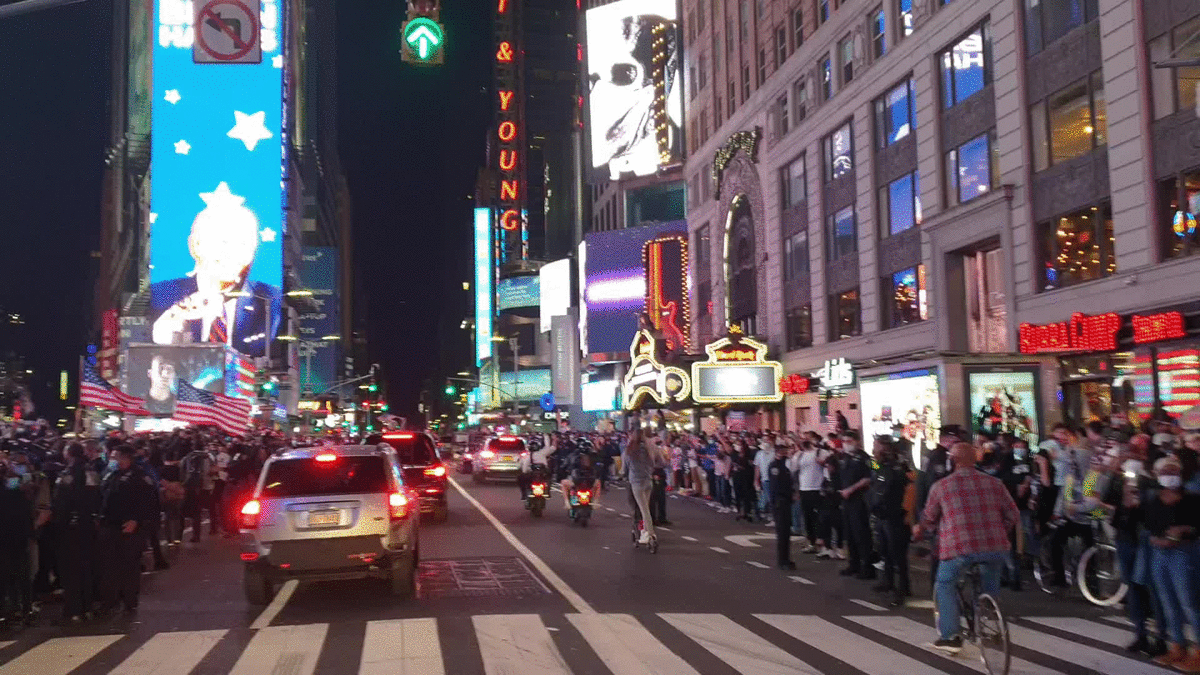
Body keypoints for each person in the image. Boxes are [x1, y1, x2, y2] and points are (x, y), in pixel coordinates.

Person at [149, 184, 282, 357]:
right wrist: (176, 318)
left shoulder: (269, 299)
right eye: (223, 242)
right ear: (195, 244)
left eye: (243, 244)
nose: (232, 254)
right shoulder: (164, 294)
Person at [915, 442, 1018, 653]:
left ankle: (951, 636)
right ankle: (988, 613)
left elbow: (929, 517)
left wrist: (924, 528)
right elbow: (1013, 515)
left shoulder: (942, 486)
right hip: (995, 546)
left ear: (952, 461)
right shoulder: (995, 483)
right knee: (990, 583)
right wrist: (999, 531)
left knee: (945, 583)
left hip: (959, 548)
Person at [1145, 455, 1200, 669]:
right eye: (1165, 473)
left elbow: (1195, 526)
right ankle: (1176, 646)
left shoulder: (1192, 498)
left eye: (1174, 472)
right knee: (1168, 602)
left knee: (1189, 602)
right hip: (1159, 553)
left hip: (1183, 553)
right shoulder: (1153, 500)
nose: (1170, 477)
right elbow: (1147, 525)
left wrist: (1183, 531)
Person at [98, 445, 158, 615]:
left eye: (115, 457)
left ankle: (129, 601)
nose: (112, 460)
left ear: (125, 459)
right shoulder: (110, 474)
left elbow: (150, 503)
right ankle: (110, 600)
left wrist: (137, 521)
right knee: (109, 566)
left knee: (129, 566)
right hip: (110, 525)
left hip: (130, 528)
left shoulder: (139, 477)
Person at [52, 443, 102, 623]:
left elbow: (61, 502)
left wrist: (58, 523)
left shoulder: (68, 474)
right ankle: (87, 607)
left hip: (70, 528)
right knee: (87, 567)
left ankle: (73, 610)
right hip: (89, 525)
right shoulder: (92, 473)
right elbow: (98, 497)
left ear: (68, 454)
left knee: (70, 570)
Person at [870, 436, 911, 606]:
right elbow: (873, 473)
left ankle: (902, 589)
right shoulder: (880, 465)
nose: (875, 448)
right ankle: (887, 582)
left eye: (877, 445)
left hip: (894, 515)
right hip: (881, 515)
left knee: (897, 554)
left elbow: (904, 483)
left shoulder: (897, 466)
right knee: (884, 551)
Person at [838, 430, 874, 579]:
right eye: (844, 441)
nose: (846, 444)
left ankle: (867, 567)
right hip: (846, 501)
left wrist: (852, 489)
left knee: (861, 534)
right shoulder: (845, 458)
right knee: (849, 534)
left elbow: (872, 474)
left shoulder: (865, 458)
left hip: (859, 500)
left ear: (857, 442)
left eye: (849, 441)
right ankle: (854, 564)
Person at [623, 424, 662, 544]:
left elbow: (625, 468)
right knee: (646, 507)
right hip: (648, 481)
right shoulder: (651, 448)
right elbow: (661, 462)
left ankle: (650, 534)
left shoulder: (629, 450)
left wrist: (623, 475)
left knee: (644, 510)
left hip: (636, 482)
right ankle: (645, 532)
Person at [768, 441, 796, 570]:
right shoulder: (775, 466)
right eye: (783, 451)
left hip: (786, 501)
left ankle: (785, 559)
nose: (785, 453)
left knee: (786, 532)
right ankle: (782, 560)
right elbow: (777, 486)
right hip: (780, 502)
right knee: (782, 532)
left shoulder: (784, 466)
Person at [181, 443, 213, 543]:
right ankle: (198, 534)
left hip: (191, 487)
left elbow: (184, 471)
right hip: (204, 486)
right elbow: (212, 470)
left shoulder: (189, 457)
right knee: (199, 512)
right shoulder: (208, 457)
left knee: (188, 511)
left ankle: (183, 535)